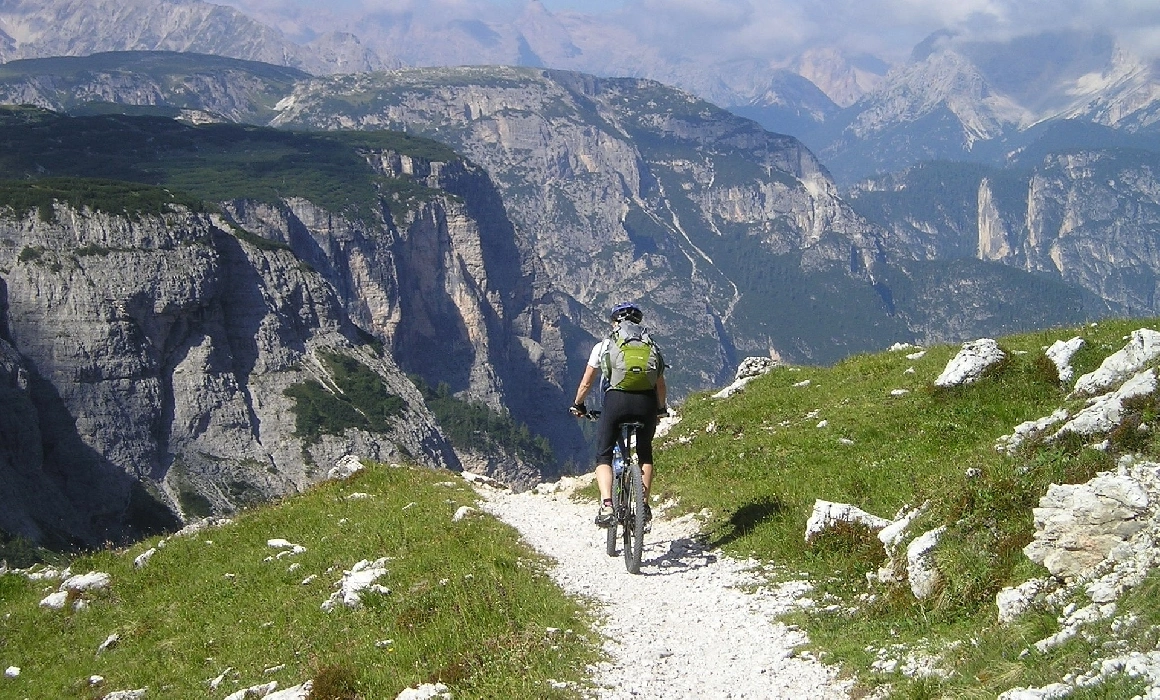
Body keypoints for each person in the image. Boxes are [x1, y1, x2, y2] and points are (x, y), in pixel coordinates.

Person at [570, 302, 667, 527]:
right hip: (646, 403)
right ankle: (642, 507)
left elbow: (586, 383)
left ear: (615, 323)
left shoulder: (603, 346)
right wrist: (660, 407)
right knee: (644, 454)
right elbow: (660, 385)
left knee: (604, 455)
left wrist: (579, 404)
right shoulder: (651, 346)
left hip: (616, 402)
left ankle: (607, 505)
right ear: (638, 323)